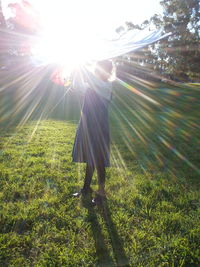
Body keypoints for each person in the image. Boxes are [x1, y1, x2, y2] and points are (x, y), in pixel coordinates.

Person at [72, 60, 114, 204]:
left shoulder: (106, 85)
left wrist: (80, 66)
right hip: (88, 125)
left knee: (99, 160)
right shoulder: (92, 84)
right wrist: (77, 70)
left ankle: (101, 193)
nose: (97, 71)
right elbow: (77, 86)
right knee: (91, 157)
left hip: (99, 128)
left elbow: (92, 83)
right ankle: (86, 188)